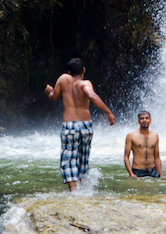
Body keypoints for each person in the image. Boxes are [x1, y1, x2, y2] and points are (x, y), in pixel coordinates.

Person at [45, 58, 116, 190]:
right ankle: (84, 187)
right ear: (84, 70)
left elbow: (54, 97)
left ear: (69, 72)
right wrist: (108, 112)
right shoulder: (85, 84)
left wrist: (49, 91)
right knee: (84, 156)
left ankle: (74, 191)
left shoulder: (62, 79)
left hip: (70, 125)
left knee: (68, 157)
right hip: (85, 126)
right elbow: (92, 96)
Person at [124, 111, 163, 178]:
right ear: (138, 121)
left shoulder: (155, 135)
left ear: (150, 120)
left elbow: (157, 157)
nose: (144, 120)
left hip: (152, 170)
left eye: (147, 118)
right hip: (138, 170)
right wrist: (131, 174)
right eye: (142, 118)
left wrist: (161, 175)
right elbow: (126, 157)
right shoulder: (131, 135)